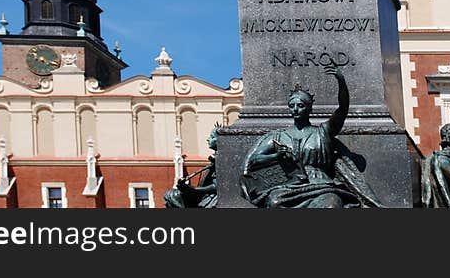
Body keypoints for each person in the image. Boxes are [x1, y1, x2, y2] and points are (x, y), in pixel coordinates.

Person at [240, 65, 383, 208]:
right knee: (274, 202)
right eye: (292, 105)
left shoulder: (323, 132)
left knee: (330, 205)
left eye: (300, 105)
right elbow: (254, 160)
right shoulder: (279, 136)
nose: (295, 109)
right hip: (289, 186)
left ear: (310, 108)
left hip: (321, 185)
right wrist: (276, 156)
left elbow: (343, 110)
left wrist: (341, 82)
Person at [164, 125, 218, 208]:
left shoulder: (222, 160)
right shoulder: (215, 160)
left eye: (212, 137)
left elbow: (216, 186)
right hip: (203, 196)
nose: (208, 139)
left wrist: (192, 189)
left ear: (219, 139)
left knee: (174, 195)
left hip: (213, 199)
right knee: (171, 194)